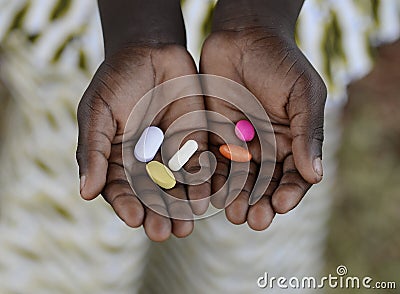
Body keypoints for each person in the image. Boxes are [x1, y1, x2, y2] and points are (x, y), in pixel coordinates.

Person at [0, 0, 399, 293]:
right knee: (69, 252)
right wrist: (143, 33)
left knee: (248, 262)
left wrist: (254, 21)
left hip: (277, 34)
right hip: (98, 37)